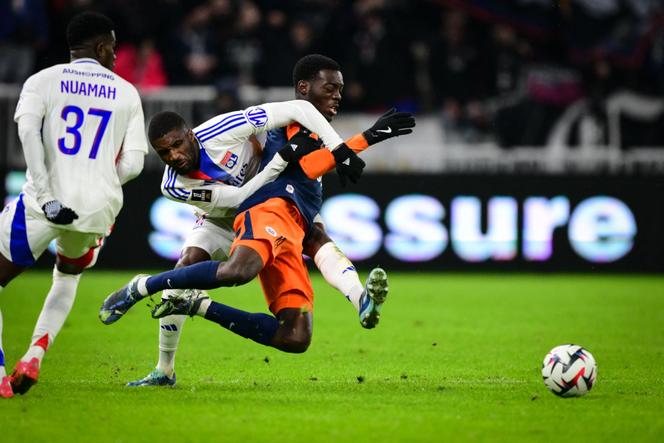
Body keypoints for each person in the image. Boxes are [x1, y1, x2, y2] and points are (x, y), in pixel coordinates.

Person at [100, 54, 415, 385]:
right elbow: (237, 199)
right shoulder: (173, 186)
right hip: (229, 215)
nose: (174, 156)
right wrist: (281, 161)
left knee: (305, 281)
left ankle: (359, 298)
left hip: (276, 204)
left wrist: (342, 149)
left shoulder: (223, 129)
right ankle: (164, 367)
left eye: (177, 145)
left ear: (191, 135)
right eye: (165, 153)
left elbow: (303, 117)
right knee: (187, 269)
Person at [0, 12, 148, 398]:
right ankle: (34, 353)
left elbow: (27, 134)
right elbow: (132, 164)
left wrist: (47, 195)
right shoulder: (127, 92)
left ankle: (0, 370)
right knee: (67, 276)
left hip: (42, 203)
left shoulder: (42, 81)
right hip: (97, 210)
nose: (116, 56)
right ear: (101, 47)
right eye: (113, 49)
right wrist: (98, 182)